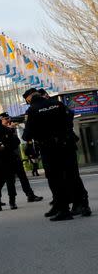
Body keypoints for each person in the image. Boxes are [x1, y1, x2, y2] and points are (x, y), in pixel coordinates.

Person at [21, 88, 89, 220]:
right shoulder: (57, 104)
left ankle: (64, 210)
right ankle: (83, 205)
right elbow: (70, 115)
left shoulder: (32, 110)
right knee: (73, 176)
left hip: (50, 149)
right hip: (67, 145)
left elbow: (27, 135)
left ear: (29, 98)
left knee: (56, 180)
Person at [0, 113, 43, 203]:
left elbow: (17, 142)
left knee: (23, 178)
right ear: (1, 120)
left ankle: (30, 195)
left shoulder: (10, 129)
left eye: (8, 119)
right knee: (5, 180)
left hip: (16, 158)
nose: (8, 121)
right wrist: (10, 129)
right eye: (6, 119)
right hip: (6, 160)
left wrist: (12, 130)